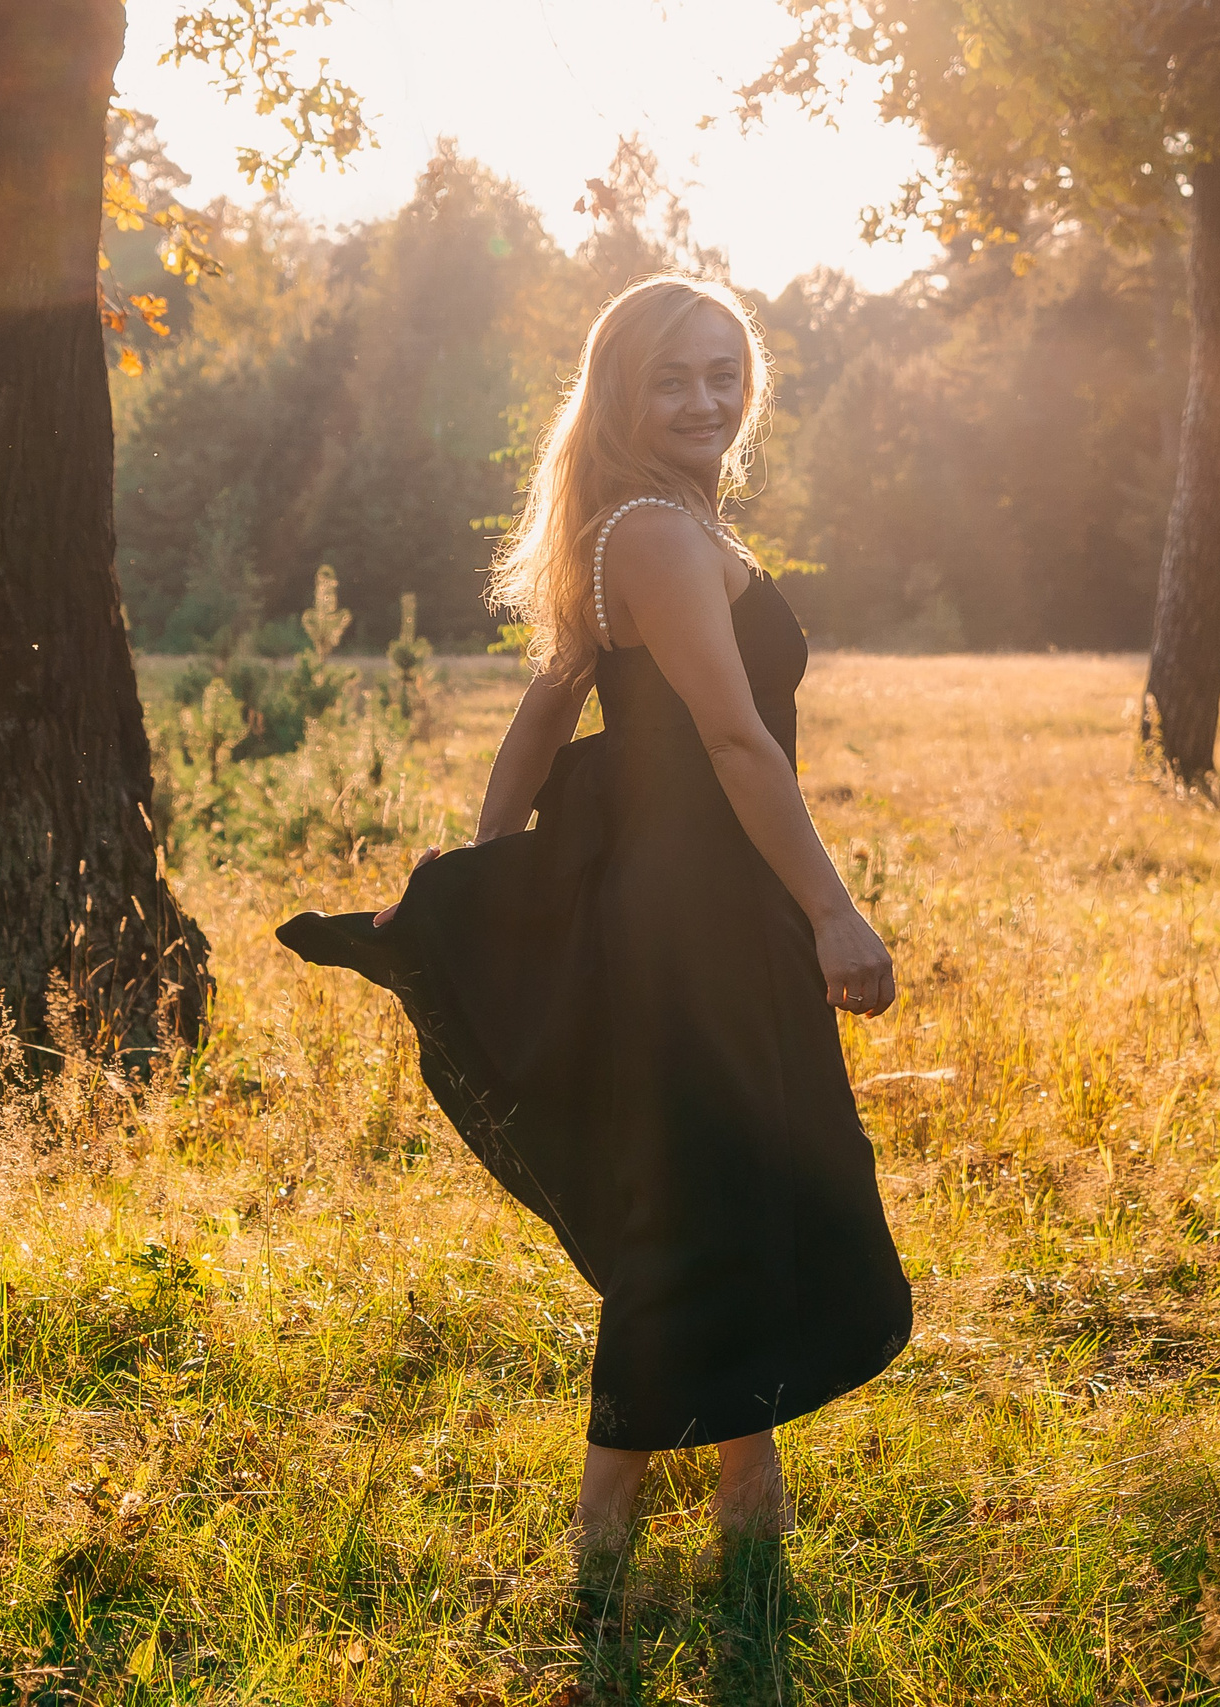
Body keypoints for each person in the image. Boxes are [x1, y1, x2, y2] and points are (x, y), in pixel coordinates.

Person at [277, 273, 912, 1558]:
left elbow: (551, 698)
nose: (705, 399)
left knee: (712, 1183)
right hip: (705, 911)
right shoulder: (660, 537)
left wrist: (494, 861)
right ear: (621, 391)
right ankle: (604, 1532)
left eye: (723, 374)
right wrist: (834, 914)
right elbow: (735, 741)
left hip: (688, 901)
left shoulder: (640, 524)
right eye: (672, 378)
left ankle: (745, 1488)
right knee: (701, 1200)